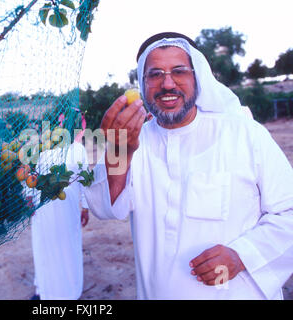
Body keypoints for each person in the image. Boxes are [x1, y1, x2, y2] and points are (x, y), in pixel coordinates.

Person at [84, 32, 293, 299]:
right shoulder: (135, 140)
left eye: (179, 71)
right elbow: (104, 208)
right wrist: (119, 153)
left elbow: (289, 212)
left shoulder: (245, 134)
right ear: (143, 83)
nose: (167, 83)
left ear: (198, 77)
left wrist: (242, 256)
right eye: (155, 74)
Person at [30, 120, 90, 300]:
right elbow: (85, 180)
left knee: (45, 248)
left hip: (43, 209)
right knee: (66, 249)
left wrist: (30, 202)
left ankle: (45, 291)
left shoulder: (40, 147)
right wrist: (85, 208)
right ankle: (67, 293)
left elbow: (29, 178)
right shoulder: (78, 150)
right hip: (64, 209)